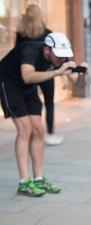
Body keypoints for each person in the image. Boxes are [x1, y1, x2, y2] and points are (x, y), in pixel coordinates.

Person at [0, 32, 87, 196]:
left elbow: (79, 85)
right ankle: (24, 182)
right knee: (25, 129)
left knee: (38, 129)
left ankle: (38, 178)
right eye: (58, 55)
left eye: (64, 56)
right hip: (9, 84)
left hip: (28, 88)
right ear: (47, 50)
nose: (62, 59)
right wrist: (57, 72)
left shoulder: (61, 58)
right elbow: (27, 76)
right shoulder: (29, 50)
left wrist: (82, 74)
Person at [15, 5, 62, 146]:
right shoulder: (47, 33)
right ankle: (50, 134)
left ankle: (31, 132)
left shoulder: (21, 34)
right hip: (46, 72)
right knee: (49, 103)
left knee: (30, 102)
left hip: (29, 73)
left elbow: (17, 53)